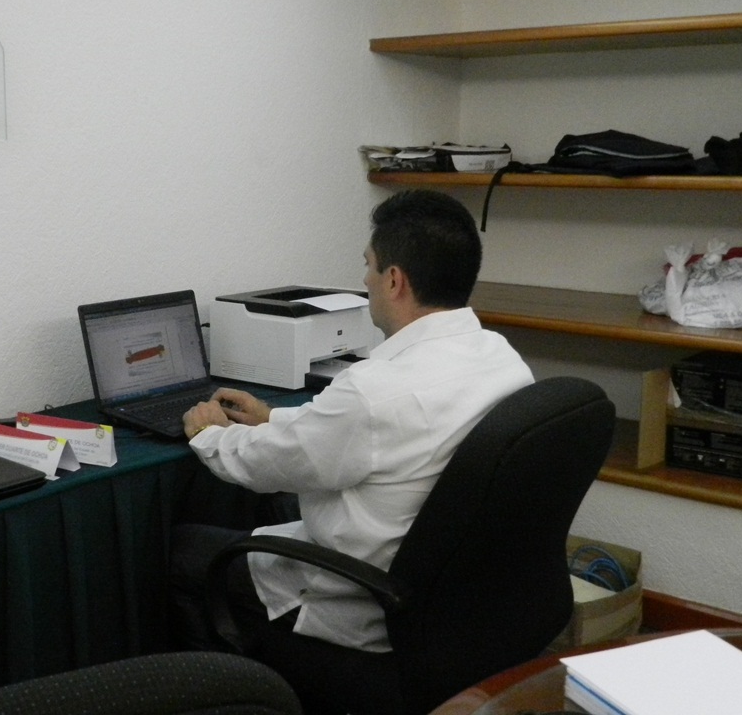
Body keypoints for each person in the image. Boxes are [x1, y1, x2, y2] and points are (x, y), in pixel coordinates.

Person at [170, 189, 534, 653]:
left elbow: (264, 465)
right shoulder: (500, 356)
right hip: (446, 593)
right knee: (279, 510)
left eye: (368, 265)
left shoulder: (372, 391)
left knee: (184, 551)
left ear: (394, 280)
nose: (364, 279)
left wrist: (209, 434)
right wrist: (271, 415)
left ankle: (235, 684)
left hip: (358, 599)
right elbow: (336, 434)